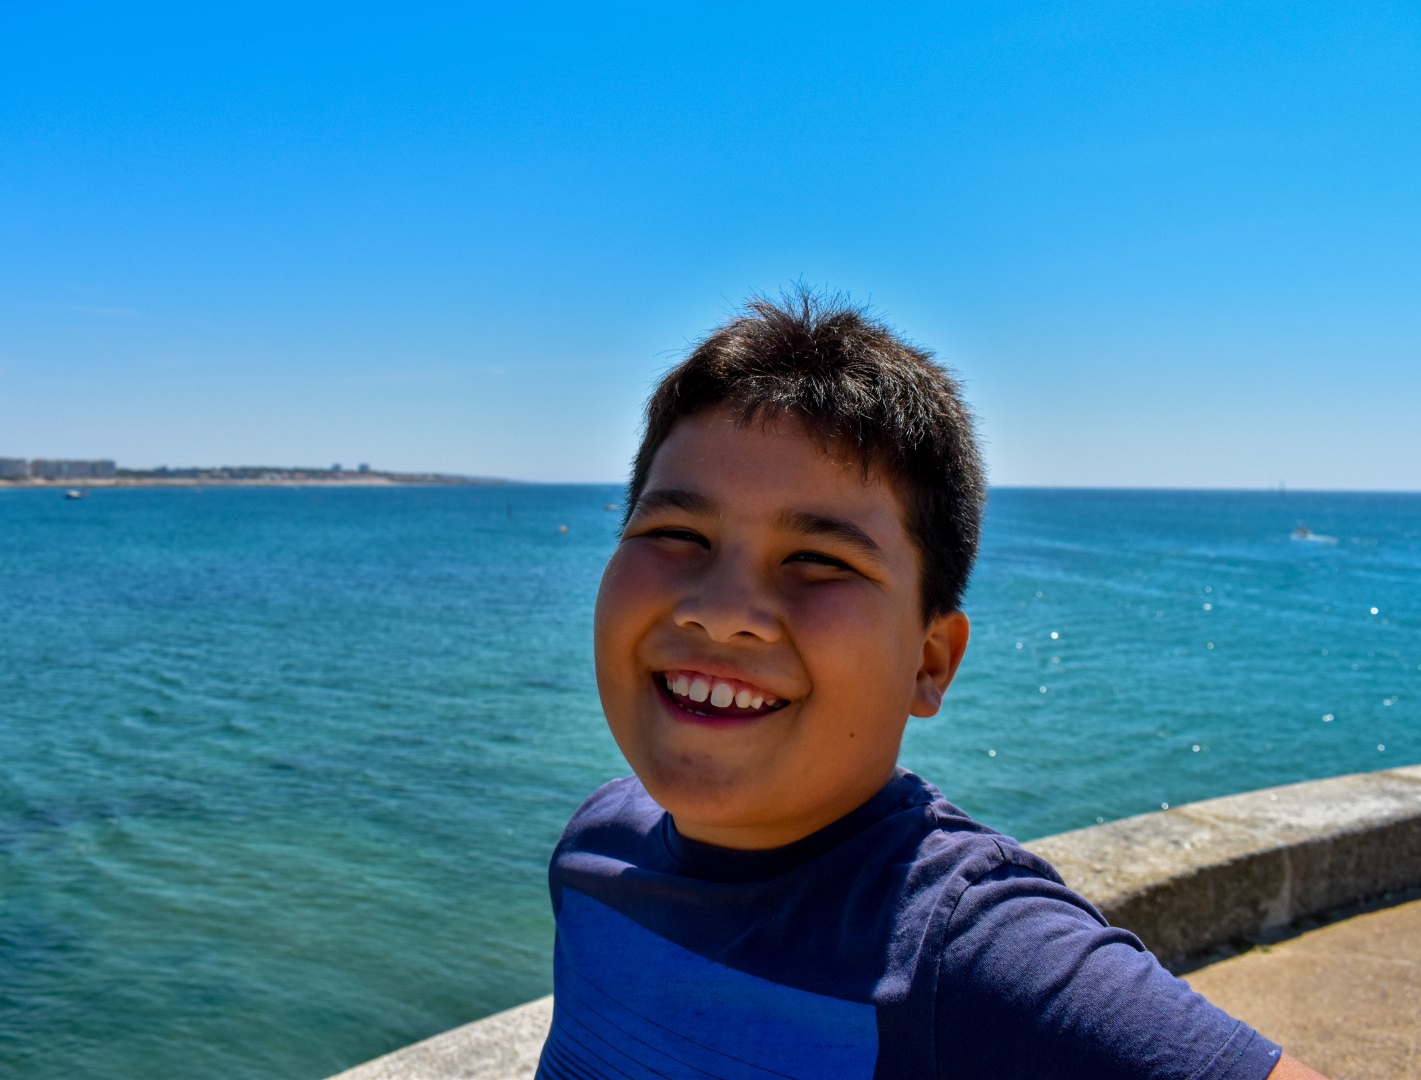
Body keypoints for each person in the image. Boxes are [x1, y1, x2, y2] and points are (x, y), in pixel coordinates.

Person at [537, 289, 1325, 1079]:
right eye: (676, 534)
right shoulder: (593, 852)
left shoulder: (965, 948)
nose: (722, 613)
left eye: (819, 560)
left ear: (930, 662)